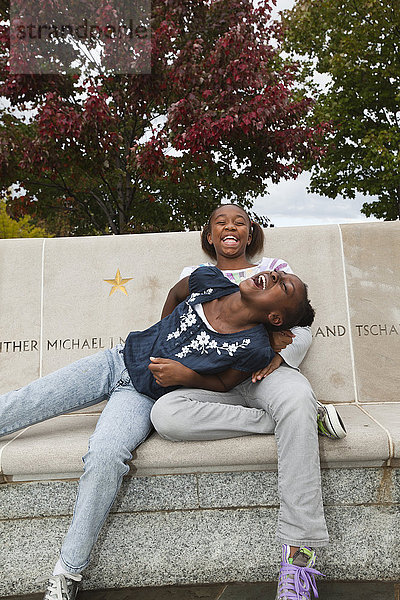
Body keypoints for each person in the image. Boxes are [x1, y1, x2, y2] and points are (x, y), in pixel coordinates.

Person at [0, 262, 312, 600]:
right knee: (28, 399)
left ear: (276, 318)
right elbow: (175, 292)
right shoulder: (210, 280)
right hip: (116, 360)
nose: (277, 276)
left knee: (105, 456)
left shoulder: (254, 347)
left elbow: (223, 383)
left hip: (140, 397)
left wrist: (184, 376)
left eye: (285, 286)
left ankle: (67, 571)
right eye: (279, 275)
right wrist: (163, 335)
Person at [151, 203, 347, 600]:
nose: (230, 227)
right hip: (213, 381)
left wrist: (278, 357)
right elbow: (170, 328)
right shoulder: (194, 277)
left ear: (250, 234)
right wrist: (185, 372)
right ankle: (303, 419)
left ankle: (298, 559)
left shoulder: (273, 268)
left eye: (239, 221)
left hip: (263, 375)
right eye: (220, 221)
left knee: (293, 397)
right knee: (166, 415)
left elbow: (301, 324)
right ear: (210, 236)